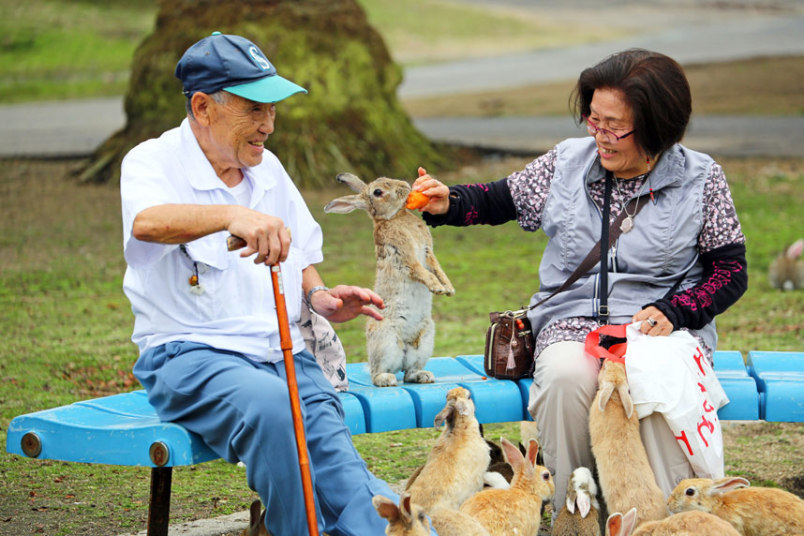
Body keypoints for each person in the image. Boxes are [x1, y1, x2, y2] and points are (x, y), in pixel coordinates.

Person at [412, 48, 748, 515]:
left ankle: (672, 519)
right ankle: (579, 514)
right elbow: (498, 199)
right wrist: (447, 203)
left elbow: (731, 270)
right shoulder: (567, 162)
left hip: (659, 331)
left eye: (615, 126)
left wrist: (677, 311)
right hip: (571, 323)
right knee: (567, 378)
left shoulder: (702, 179)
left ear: (657, 128)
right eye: (593, 120)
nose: (601, 137)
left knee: (648, 386)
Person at [120, 32, 423, 536]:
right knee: (276, 414)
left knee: (343, 469)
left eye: (274, 110)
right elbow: (148, 223)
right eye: (254, 109)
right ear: (202, 106)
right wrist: (231, 215)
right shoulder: (152, 161)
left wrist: (320, 297)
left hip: (283, 354)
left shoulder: (269, 170)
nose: (268, 125)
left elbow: (299, 252)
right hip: (189, 356)